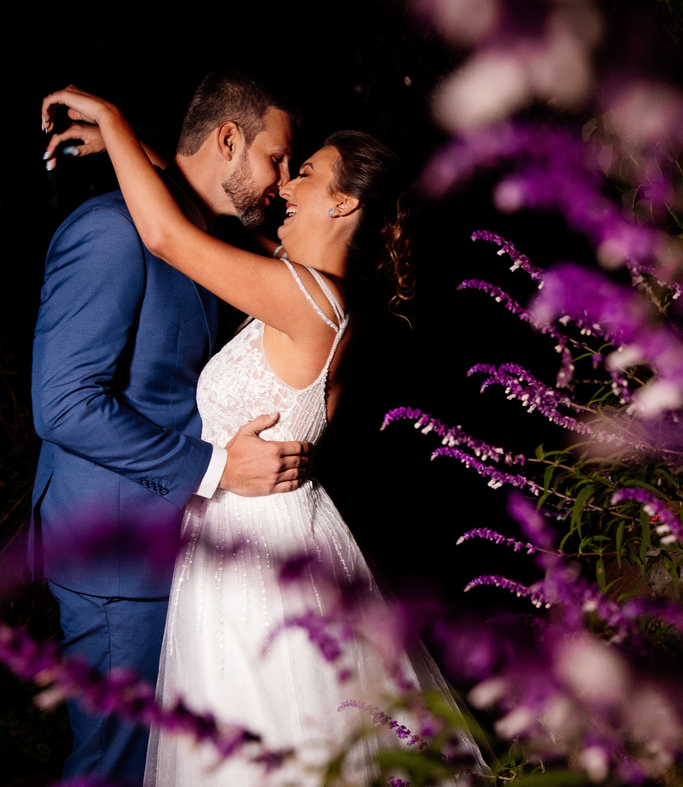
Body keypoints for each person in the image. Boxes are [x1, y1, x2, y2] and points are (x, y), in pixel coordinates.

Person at [40, 85, 484, 787]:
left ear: (342, 204)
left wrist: (117, 119)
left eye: (301, 173)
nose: (284, 184)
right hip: (249, 541)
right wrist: (149, 158)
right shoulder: (300, 284)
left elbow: (168, 236)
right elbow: (209, 216)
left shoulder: (312, 299)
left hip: (256, 560)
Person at [32, 72, 310, 786]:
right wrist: (216, 469)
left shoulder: (183, 234)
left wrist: (143, 153)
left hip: (168, 555)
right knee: (115, 769)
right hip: (117, 566)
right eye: (277, 157)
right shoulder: (110, 231)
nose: (282, 180)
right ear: (227, 139)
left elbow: (175, 226)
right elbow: (61, 404)